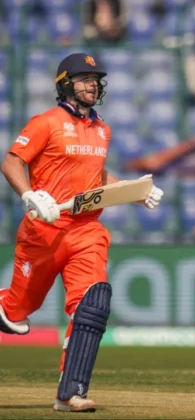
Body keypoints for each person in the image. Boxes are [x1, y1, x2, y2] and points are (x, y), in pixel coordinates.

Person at [0, 53, 163, 412]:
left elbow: (96, 176)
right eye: (84, 78)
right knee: (17, 310)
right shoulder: (46, 122)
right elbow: (11, 162)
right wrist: (29, 195)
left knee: (93, 303)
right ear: (64, 84)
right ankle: (6, 306)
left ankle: (71, 391)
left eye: (95, 79)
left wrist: (134, 191)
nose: (93, 85)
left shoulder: (102, 129)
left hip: (86, 229)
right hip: (44, 229)